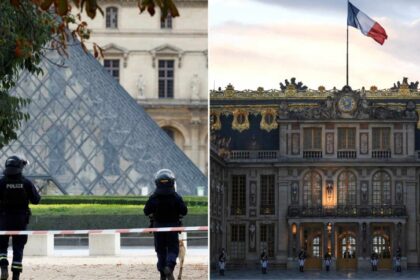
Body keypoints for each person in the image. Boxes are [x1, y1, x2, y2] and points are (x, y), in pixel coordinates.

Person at [0, 156, 41, 280]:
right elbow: (36, 200)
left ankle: (3, 266)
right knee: (18, 247)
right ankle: (16, 276)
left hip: (3, 219)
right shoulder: (26, 182)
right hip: (20, 220)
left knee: (1, 246)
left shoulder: (1, 182)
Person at [144, 169, 188, 280]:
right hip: (172, 227)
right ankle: (169, 266)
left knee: (160, 250)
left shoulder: (154, 197)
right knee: (173, 249)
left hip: (158, 227)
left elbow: (146, 211)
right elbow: (184, 211)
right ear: (172, 182)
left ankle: (162, 273)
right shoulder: (175, 197)